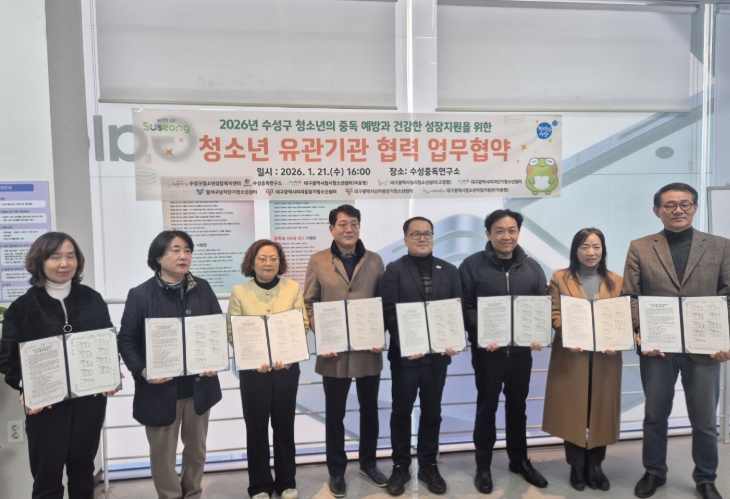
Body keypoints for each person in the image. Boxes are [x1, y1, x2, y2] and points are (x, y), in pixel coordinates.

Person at [622, 183, 730, 499]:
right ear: (657, 211)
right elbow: (630, 295)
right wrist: (639, 328)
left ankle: (706, 478)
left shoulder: (721, 246)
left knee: (705, 421)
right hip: (658, 347)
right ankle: (654, 472)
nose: (678, 210)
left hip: (705, 348)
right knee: (655, 416)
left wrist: (725, 337)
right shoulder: (640, 247)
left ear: (695, 208)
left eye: (685, 203)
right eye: (669, 205)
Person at [0, 232, 118, 499]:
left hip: (89, 403)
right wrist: (26, 385)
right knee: (47, 480)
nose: (65, 263)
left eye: (70, 256)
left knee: (83, 474)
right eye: (55, 257)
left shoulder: (93, 300)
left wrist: (110, 375)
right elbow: (8, 360)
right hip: (46, 407)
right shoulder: (22, 308)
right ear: (40, 261)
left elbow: (107, 343)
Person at [118, 230, 222, 499]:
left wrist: (215, 359)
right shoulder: (140, 294)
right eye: (176, 250)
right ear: (158, 257)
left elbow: (215, 328)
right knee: (162, 457)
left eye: (187, 250)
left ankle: (193, 494)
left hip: (199, 387)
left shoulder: (203, 287)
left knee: (196, 451)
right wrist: (142, 371)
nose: (183, 256)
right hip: (160, 390)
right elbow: (126, 340)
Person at [458, 209, 548, 494]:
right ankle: (483, 465)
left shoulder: (532, 267)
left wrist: (538, 333)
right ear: (488, 234)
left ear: (518, 233)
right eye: (499, 230)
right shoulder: (471, 266)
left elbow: (542, 304)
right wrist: (484, 330)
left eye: (512, 230)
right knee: (487, 407)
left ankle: (519, 461)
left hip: (521, 353)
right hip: (488, 352)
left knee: (518, 407)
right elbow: (464, 307)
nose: (506, 236)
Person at [303, 204, 387, 497]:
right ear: (331, 229)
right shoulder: (318, 260)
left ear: (359, 227)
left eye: (354, 223)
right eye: (342, 224)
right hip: (334, 353)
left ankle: (369, 464)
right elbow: (310, 302)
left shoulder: (375, 260)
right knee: (335, 414)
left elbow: (383, 302)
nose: (349, 229)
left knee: (369, 411)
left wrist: (379, 333)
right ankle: (336, 471)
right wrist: (324, 336)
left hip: (368, 350)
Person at [380, 216, 462, 496]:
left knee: (432, 412)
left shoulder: (449, 270)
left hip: (437, 358)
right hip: (406, 359)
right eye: (415, 234)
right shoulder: (394, 270)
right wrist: (406, 343)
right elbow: (389, 313)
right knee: (401, 412)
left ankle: (428, 465)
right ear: (405, 239)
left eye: (427, 233)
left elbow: (456, 309)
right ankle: (400, 466)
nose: (422, 238)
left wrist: (453, 339)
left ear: (433, 237)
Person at [542, 228, 623, 492]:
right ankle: (576, 467)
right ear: (575, 250)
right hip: (572, 357)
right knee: (573, 413)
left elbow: (622, 316)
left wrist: (619, 337)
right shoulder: (560, 278)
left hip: (605, 359)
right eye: (585, 246)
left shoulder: (617, 281)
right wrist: (568, 333)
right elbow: (554, 312)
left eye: (596, 247)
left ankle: (595, 466)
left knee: (601, 413)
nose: (591, 252)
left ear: (603, 250)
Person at [228, 239, 308, 499]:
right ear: (252, 262)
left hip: (286, 370)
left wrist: (288, 354)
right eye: (262, 258)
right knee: (256, 428)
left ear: (280, 262)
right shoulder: (240, 292)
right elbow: (232, 331)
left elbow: (302, 323)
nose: (268, 263)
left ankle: (286, 483)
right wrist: (254, 359)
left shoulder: (292, 288)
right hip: (254, 373)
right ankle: (260, 485)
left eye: (273, 258)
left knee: (284, 426)